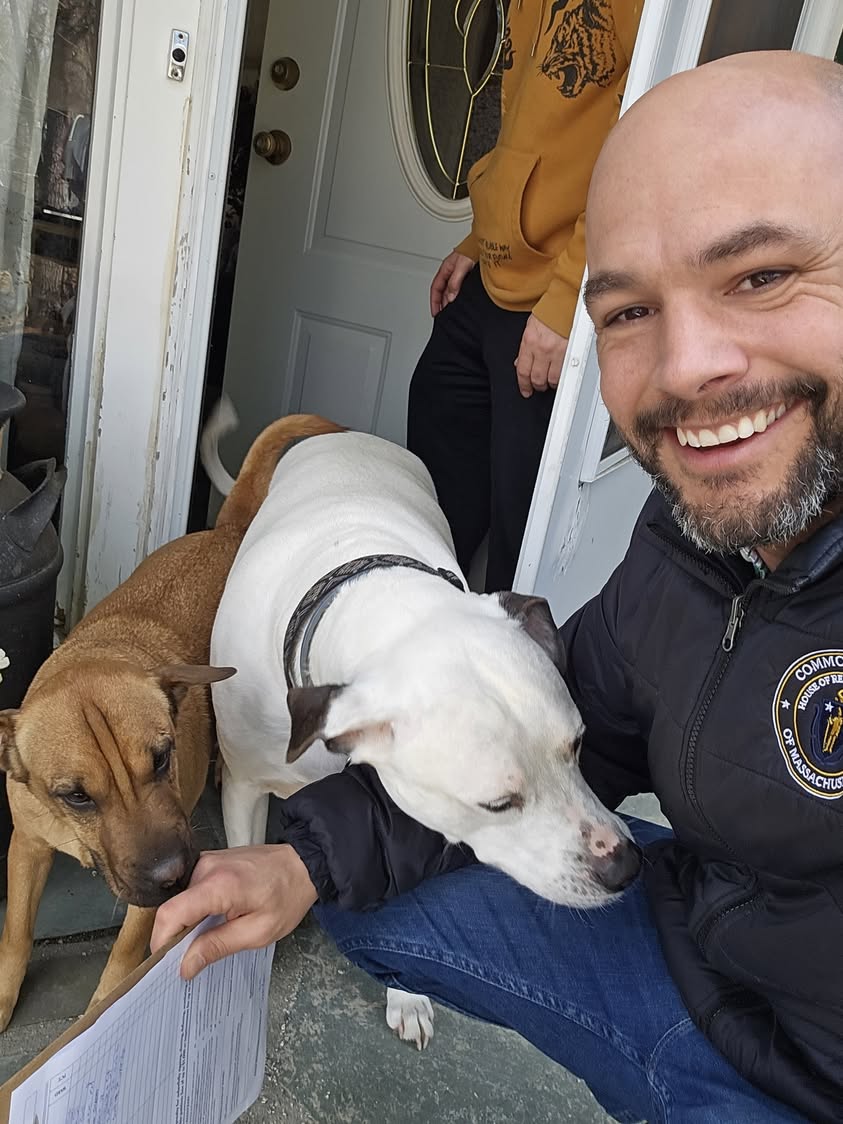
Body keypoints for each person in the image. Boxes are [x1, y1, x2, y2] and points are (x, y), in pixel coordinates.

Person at [153, 50, 843, 1123]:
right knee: (356, 904)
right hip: (705, 950)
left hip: (810, 1075)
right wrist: (298, 859)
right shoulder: (688, 540)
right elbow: (587, 723)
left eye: (761, 275)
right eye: (624, 311)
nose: (690, 363)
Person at [407, 0, 643, 591]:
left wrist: (571, 296)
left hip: (558, 305)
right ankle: (411, 641)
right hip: (490, 280)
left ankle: (500, 675)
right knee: (430, 508)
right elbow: (520, 128)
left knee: (524, 544)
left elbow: (642, 153)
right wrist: (478, 237)